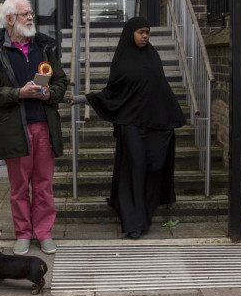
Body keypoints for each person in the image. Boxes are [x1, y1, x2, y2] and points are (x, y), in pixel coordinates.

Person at [68, 17, 186, 239]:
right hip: (131, 123)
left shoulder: (153, 56)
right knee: (136, 167)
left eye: (147, 32)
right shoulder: (122, 60)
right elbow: (113, 93)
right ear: (130, 33)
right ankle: (133, 222)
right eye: (141, 32)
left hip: (156, 124)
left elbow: (160, 89)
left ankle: (144, 215)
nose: (145, 36)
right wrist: (83, 98)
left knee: (154, 167)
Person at [0, 0, 68, 255]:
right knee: (19, 188)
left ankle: (44, 232)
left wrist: (49, 93)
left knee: (44, 186)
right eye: (24, 14)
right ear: (9, 19)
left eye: (31, 13)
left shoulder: (45, 47)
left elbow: (61, 82)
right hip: (15, 129)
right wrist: (19, 93)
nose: (31, 18)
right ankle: (23, 234)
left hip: (43, 125)